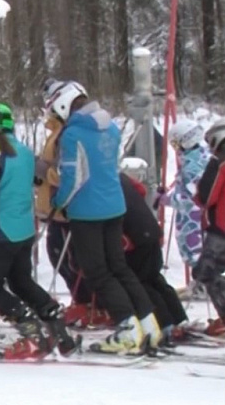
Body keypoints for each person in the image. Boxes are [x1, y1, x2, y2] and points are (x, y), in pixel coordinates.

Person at [47, 80, 162, 353]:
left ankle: (127, 329)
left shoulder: (73, 134)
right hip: (115, 205)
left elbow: (73, 177)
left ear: (64, 104)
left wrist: (58, 202)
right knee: (119, 267)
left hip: (87, 211)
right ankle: (149, 325)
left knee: (97, 272)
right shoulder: (109, 126)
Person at [0, 102, 78, 358]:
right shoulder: (26, 152)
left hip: (0, 231)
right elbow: (35, 180)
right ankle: (59, 330)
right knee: (21, 282)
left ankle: (30, 332)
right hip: (24, 229)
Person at [34, 80, 109, 328]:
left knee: (72, 259)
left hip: (66, 207)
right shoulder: (56, 130)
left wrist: (44, 171)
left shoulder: (69, 133)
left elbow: (67, 171)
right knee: (59, 255)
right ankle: (83, 301)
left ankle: (92, 304)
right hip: (54, 207)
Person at [118, 161, 190, 346]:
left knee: (141, 281)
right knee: (155, 278)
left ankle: (164, 323)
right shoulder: (121, 177)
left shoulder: (103, 183)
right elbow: (141, 190)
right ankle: (178, 318)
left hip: (136, 237)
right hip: (150, 229)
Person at [154, 119, 209, 281]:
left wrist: (166, 199)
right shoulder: (203, 156)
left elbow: (188, 199)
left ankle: (204, 283)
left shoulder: (192, 166)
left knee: (195, 251)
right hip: (201, 217)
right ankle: (203, 282)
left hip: (193, 219)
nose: (176, 149)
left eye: (176, 144)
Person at [192, 119, 225, 336]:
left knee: (206, 272)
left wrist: (198, 195)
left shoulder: (221, 163)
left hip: (222, 229)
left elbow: (207, 196)